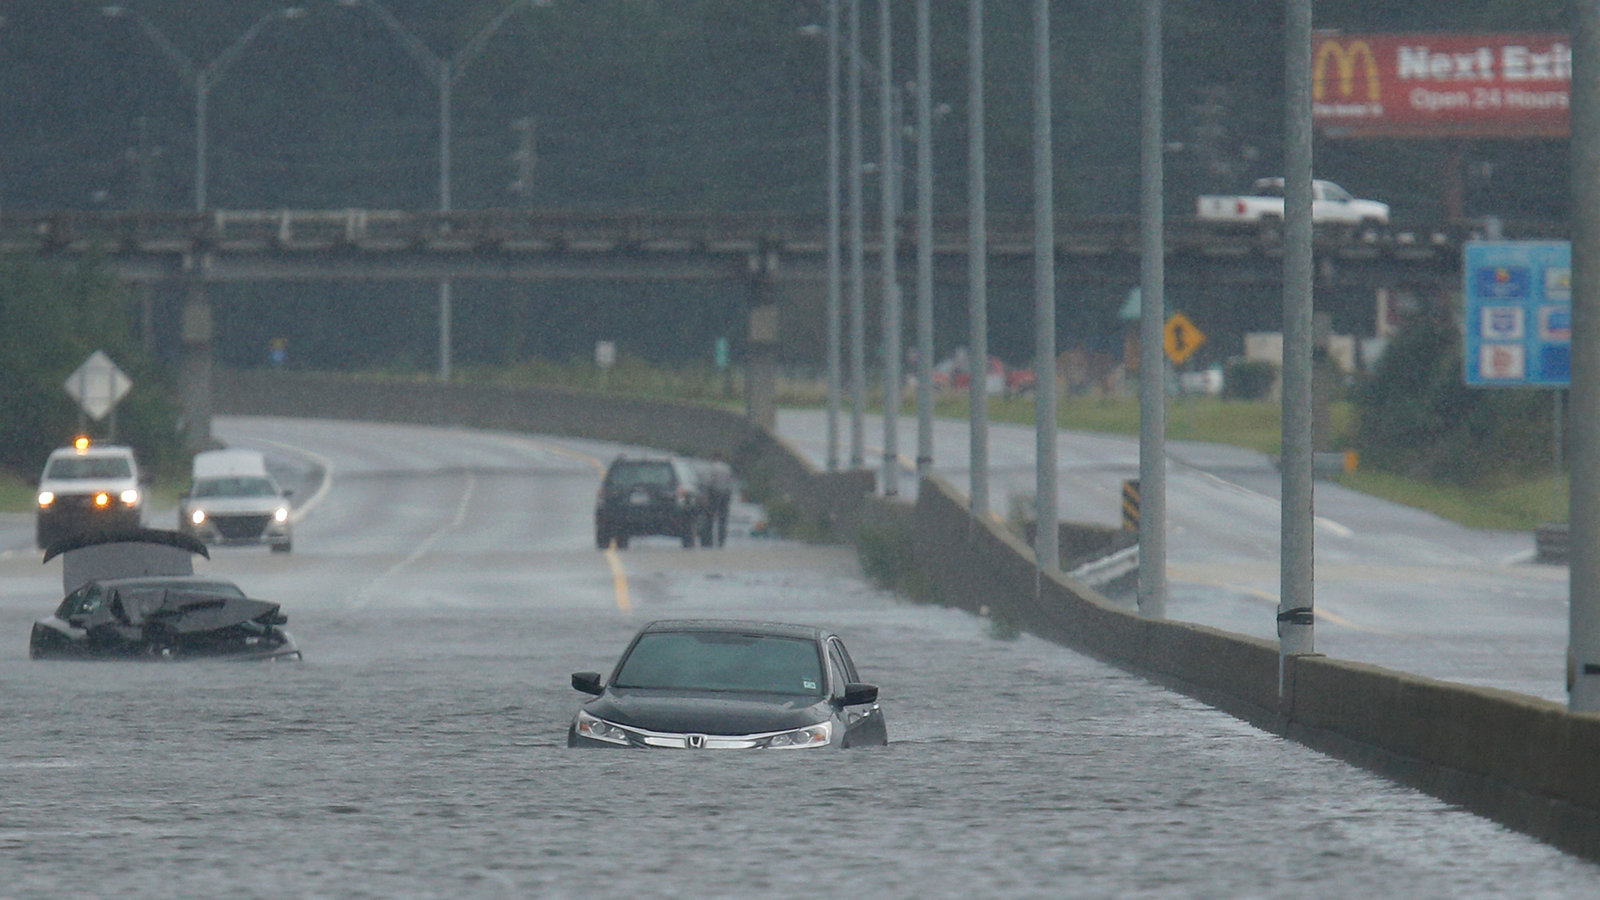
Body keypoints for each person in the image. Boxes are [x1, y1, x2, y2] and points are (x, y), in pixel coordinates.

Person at [703, 452, 735, 547]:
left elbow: (708, 482)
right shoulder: (727, 468)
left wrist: (706, 495)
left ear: (713, 458)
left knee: (710, 518)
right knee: (723, 518)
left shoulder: (711, 468)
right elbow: (730, 482)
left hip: (714, 493)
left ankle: (708, 541)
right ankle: (721, 541)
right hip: (725, 494)